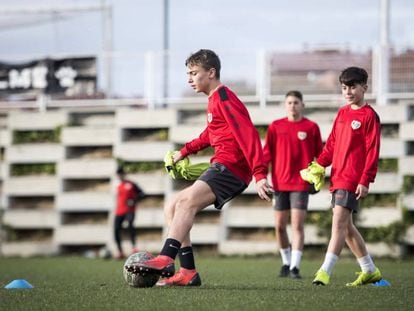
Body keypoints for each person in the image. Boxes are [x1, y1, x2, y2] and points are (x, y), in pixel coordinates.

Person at [126, 49, 273, 286]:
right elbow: (210, 134)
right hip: (223, 166)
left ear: (211, 72)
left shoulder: (224, 97)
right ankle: (188, 272)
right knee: (172, 206)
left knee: (185, 204)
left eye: (194, 73)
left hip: (231, 168)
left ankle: (165, 257)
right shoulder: (214, 100)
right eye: (188, 74)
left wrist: (259, 174)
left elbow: (248, 135)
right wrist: (183, 152)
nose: (189, 79)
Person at [306, 67, 382, 286]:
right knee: (347, 228)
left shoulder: (369, 117)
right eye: (344, 87)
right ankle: (369, 270)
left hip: (352, 178)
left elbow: (372, 152)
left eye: (353, 87)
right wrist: (318, 165)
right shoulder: (342, 113)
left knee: (338, 223)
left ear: (364, 87)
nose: (348, 91)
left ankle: (324, 271)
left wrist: (365, 179)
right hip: (337, 176)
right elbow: (331, 145)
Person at [263, 90, 323, 279]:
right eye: (289, 102)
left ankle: (295, 267)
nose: (293, 105)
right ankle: (286, 262)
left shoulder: (312, 127)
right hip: (279, 184)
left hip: (300, 184)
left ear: (302, 105)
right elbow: (266, 155)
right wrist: (262, 177)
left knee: (297, 225)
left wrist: (317, 176)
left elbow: (320, 157)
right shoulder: (275, 126)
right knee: (280, 226)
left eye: (296, 102)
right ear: (285, 105)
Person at [114, 167, 145, 259]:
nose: (120, 176)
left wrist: (133, 200)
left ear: (124, 174)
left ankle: (134, 248)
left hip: (129, 210)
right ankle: (120, 251)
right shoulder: (118, 185)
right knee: (116, 230)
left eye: (121, 174)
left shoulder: (131, 184)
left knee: (130, 225)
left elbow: (142, 194)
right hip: (119, 211)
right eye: (118, 174)